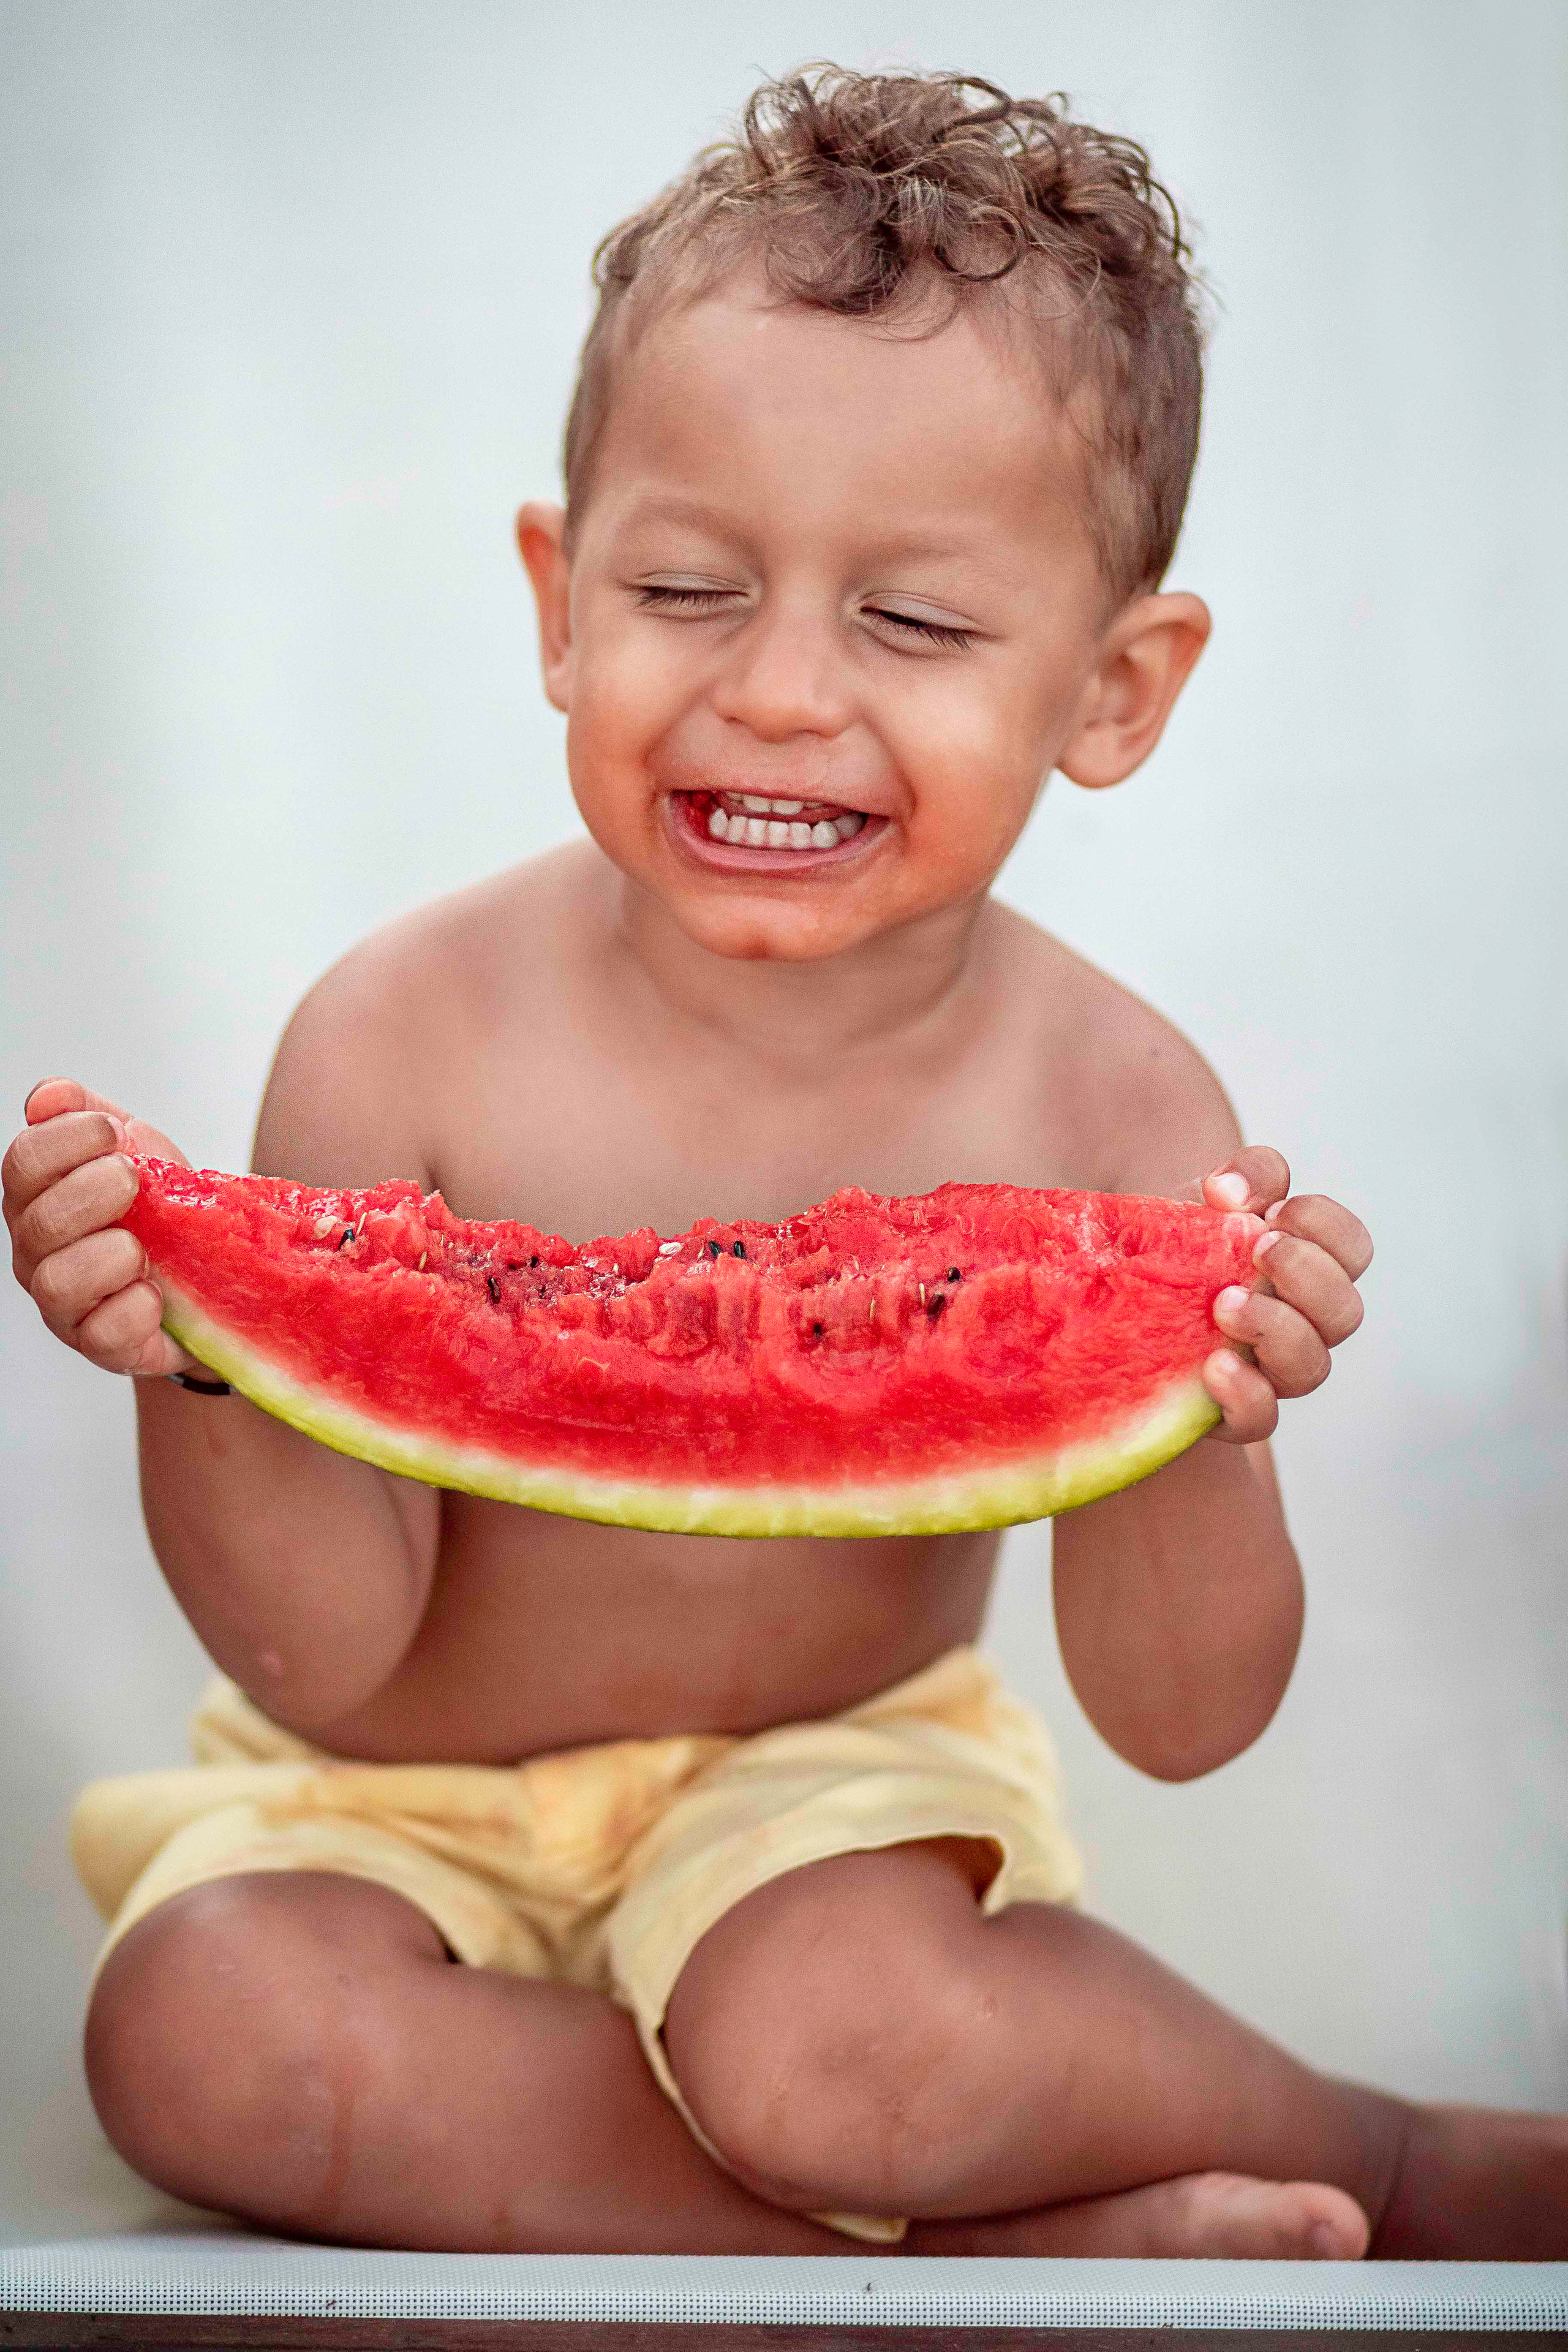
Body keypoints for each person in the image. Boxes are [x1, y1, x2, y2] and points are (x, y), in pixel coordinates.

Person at [6, 67, 1563, 2260]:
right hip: (383, 1803)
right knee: (193, 2039)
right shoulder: (400, 1033)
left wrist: (1207, 1428)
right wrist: (205, 1357)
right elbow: (325, 1660)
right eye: (685, 588)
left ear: (1115, 693)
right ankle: (980, 2264)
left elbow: (1179, 1720)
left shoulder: (1122, 1115)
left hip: (828, 1814)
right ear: (558, 602)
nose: (784, 695)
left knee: (844, 2054)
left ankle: (1374, 2151)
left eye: (913, 625)